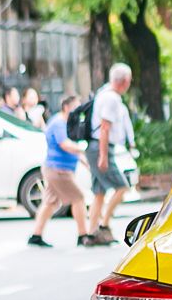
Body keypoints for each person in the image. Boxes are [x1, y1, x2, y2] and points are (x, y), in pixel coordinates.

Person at [27, 94, 94, 248]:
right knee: (78, 198)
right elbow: (65, 145)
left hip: (57, 169)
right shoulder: (59, 123)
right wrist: (84, 150)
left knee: (50, 202)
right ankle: (83, 235)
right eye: (75, 107)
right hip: (58, 171)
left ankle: (36, 236)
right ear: (66, 108)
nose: (78, 111)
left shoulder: (66, 122)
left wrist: (84, 160)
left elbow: (71, 148)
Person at [86, 64, 136, 246]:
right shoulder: (112, 98)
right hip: (100, 147)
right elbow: (105, 127)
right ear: (124, 81)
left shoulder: (103, 93)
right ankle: (104, 226)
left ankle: (92, 233)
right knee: (122, 187)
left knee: (99, 192)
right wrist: (104, 155)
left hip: (95, 147)